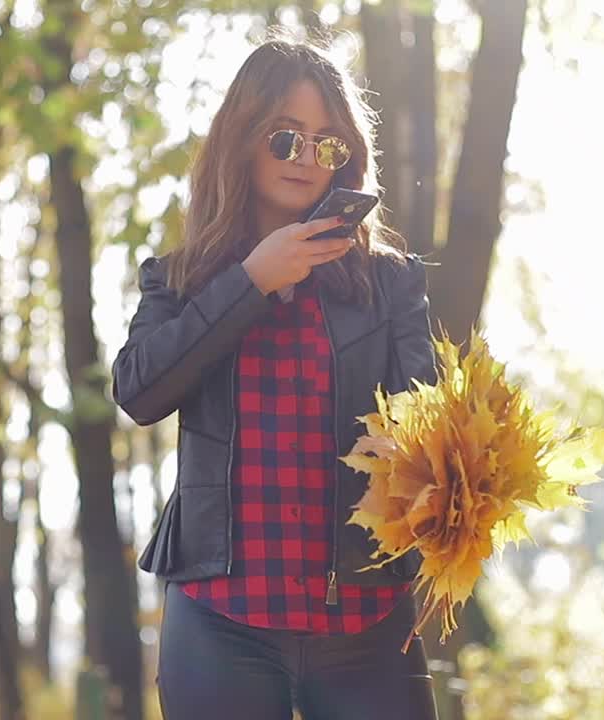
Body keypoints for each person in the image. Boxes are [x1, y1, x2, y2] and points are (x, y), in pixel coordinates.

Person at [110, 31, 440, 720]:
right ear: (242, 139)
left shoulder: (390, 284)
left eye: (328, 143)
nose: (308, 158)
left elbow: (429, 432)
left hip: (368, 622)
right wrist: (253, 281)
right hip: (220, 618)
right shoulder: (181, 278)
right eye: (286, 137)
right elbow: (139, 392)